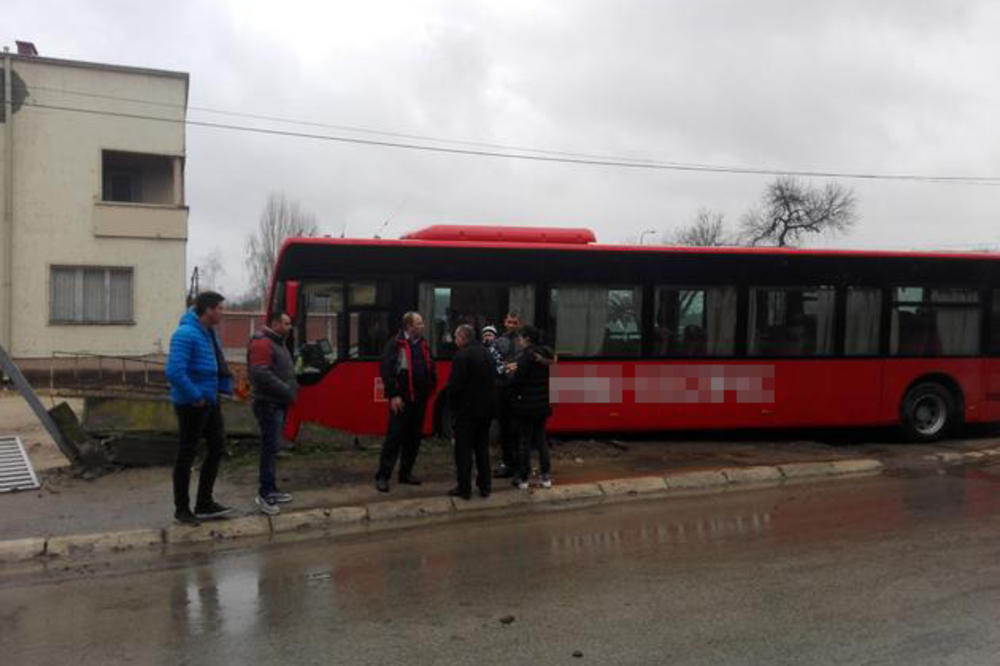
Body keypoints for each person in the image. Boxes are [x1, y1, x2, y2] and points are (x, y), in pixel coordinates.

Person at [166, 291, 235, 526]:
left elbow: (215, 364)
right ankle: (182, 509)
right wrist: (195, 396)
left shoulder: (208, 334)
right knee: (186, 454)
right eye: (220, 308)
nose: (222, 312)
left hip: (210, 401)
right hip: (192, 404)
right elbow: (174, 372)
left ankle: (204, 502)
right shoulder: (186, 334)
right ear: (208, 310)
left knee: (217, 448)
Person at [374, 311, 437, 492]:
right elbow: (387, 371)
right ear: (409, 326)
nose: (422, 326)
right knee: (394, 438)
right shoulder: (395, 344)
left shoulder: (423, 344)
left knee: (413, 438)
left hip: (419, 400)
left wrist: (430, 386)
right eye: (419, 323)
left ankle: (405, 473)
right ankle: (383, 476)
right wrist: (393, 395)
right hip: (401, 400)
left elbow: (430, 366)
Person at [247, 312, 298, 516]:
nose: (290, 327)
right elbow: (260, 374)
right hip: (269, 404)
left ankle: (272, 489)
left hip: (277, 402)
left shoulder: (278, 342)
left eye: (290, 323)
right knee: (269, 449)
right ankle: (264, 493)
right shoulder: (263, 343)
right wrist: (286, 390)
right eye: (286, 323)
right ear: (275, 324)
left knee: (273, 447)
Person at [445, 324, 496, 500]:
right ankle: (485, 487)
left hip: (466, 412)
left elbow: (455, 387)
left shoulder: (461, 356)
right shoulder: (487, 353)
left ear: (463, 338)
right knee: (482, 449)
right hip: (485, 412)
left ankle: (464, 488)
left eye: (456, 337)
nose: (454, 341)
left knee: (463, 451)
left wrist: (452, 409)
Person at [507, 325, 555, 490]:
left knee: (525, 442)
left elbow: (518, 381)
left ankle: (523, 477)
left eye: (520, 338)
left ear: (527, 339)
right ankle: (546, 476)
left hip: (526, 406)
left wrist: (511, 373)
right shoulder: (544, 354)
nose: (519, 341)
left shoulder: (525, 356)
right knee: (541, 441)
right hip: (541, 404)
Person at [492, 311, 521, 478]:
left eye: (515, 322)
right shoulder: (498, 342)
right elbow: (495, 364)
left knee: (517, 430)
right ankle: (506, 463)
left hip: (517, 390)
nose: (511, 325)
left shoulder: (522, 342)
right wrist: (509, 367)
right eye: (509, 322)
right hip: (502, 390)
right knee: (504, 429)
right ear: (504, 322)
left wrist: (512, 366)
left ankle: (517, 464)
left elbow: (523, 362)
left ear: (519, 324)